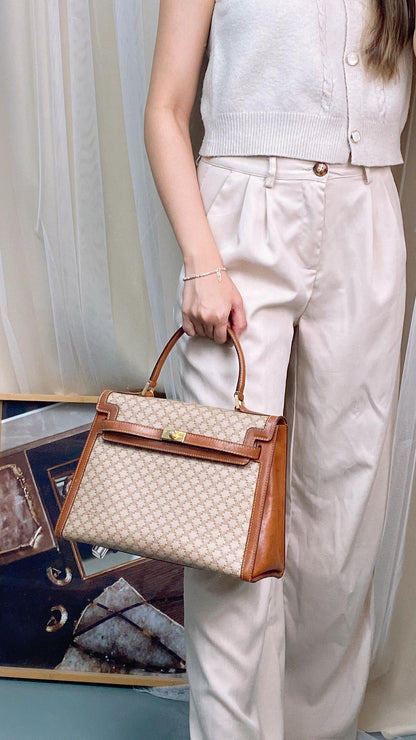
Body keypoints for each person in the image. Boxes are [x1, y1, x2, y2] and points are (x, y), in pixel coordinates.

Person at [144, 2, 415, 738]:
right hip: (239, 216)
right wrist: (202, 261)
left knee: (342, 529)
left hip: (368, 211)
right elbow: (165, 108)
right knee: (227, 527)